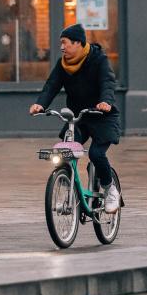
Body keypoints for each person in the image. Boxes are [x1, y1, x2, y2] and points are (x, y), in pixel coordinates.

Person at [29, 23, 122, 213]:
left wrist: (105, 101)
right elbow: (51, 85)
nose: (62, 47)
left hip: (101, 115)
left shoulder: (98, 60)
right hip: (78, 118)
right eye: (61, 43)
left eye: (65, 43)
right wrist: (41, 104)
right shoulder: (63, 64)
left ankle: (110, 189)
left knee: (96, 154)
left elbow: (107, 82)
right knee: (64, 152)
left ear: (78, 43)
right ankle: (68, 188)